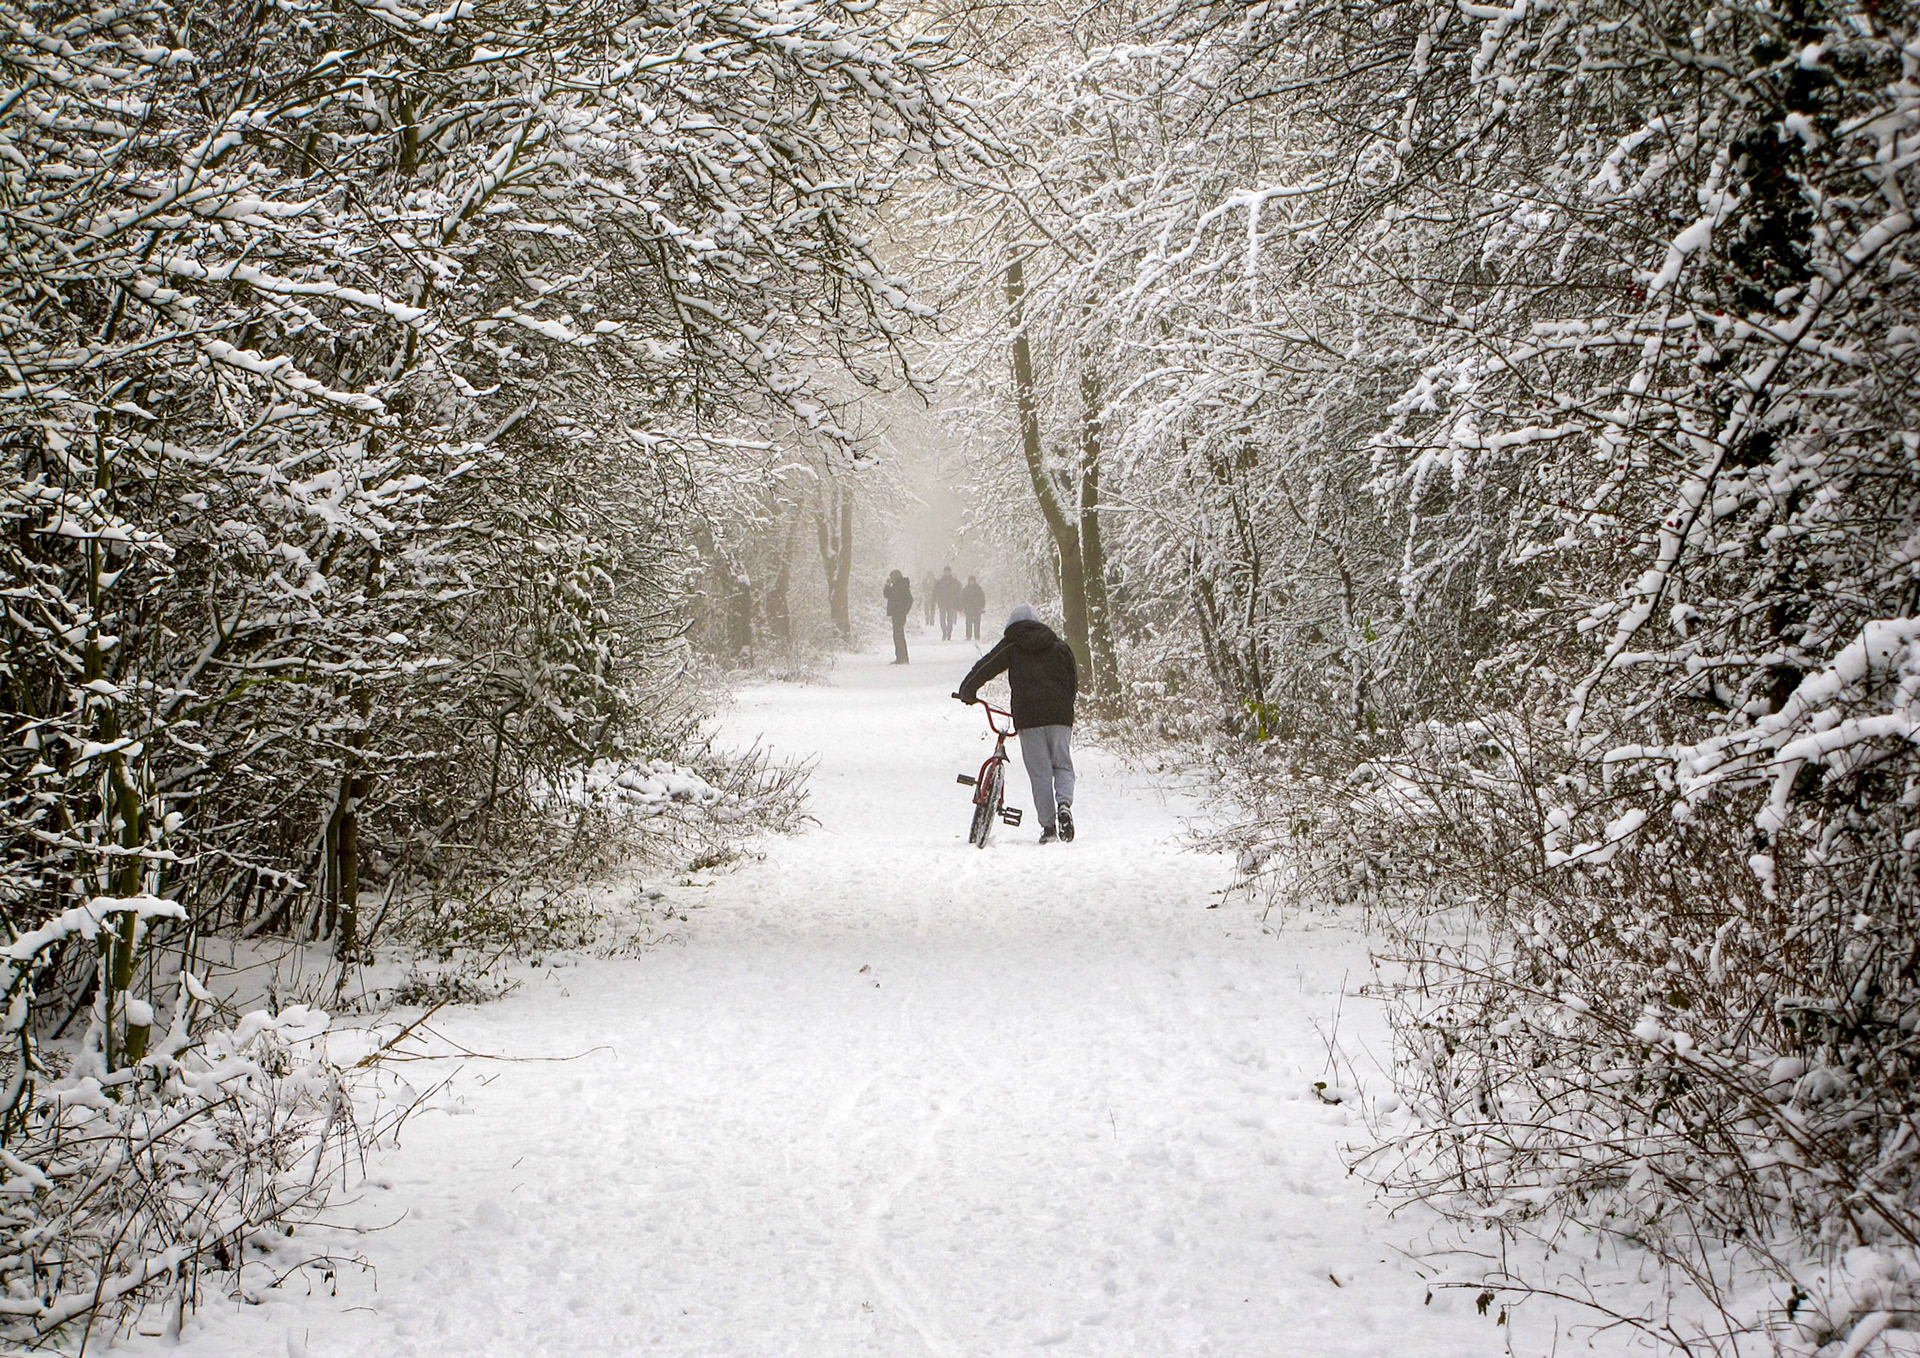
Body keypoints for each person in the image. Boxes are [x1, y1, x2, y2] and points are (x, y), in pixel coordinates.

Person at [956, 604, 1078, 843]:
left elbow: (986, 666)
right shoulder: (1060, 647)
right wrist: (1065, 705)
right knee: (1063, 766)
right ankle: (1064, 805)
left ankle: (1049, 828)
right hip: (1060, 716)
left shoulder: (1012, 645)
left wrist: (967, 690)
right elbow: (1072, 681)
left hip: (1029, 717)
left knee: (1040, 773)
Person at [883, 571, 913, 664]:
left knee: (898, 635)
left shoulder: (902, 587)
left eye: (891, 577)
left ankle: (902, 657)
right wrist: (887, 586)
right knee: (897, 635)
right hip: (896, 613)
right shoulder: (895, 586)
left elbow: (909, 600)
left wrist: (904, 611)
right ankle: (901, 656)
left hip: (899, 614)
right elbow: (887, 595)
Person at [934, 566, 961, 640]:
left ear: (950, 572)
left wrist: (958, 603)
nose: (947, 573)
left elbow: (958, 593)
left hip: (952, 604)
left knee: (950, 620)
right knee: (942, 620)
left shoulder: (955, 582)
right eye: (945, 571)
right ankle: (944, 632)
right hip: (942, 604)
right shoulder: (939, 582)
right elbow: (935, 592)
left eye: (948, 571)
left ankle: (949, 633)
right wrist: (936, 600)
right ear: (944, 572)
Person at [960, 574, 986, 641]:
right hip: (968, 608)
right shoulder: (966, 589)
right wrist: (963, 606)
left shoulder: (978, 588)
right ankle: (968, 636)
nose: (971, 582)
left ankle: (977, 636)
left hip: (977, 608)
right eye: (970, 581)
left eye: (973, 581)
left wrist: (982, 606)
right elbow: (962, 598)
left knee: (977, 622)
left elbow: (982, 597)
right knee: (968, 623)